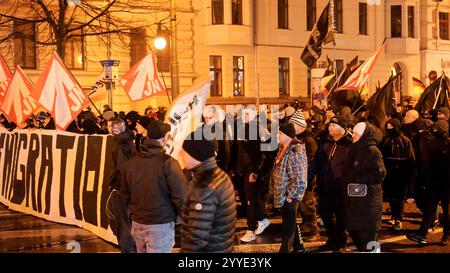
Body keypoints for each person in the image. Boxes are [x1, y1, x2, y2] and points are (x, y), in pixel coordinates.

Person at [121, 120, 186, 253]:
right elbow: (181, 196)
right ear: (165, 138)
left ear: (147, 136)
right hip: (160, 223)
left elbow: (124, 194)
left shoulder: (131, 162)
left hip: (138, 222)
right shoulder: (168, 163)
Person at [179, 130, 236, 252]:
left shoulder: (205, 186)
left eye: (184, 151)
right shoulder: (219, 175)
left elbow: (196, 238)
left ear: (196, 154)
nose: (180, 154)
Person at [309, 115, 352, 251]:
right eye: (330, 125)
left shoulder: (350, 145)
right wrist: (309, 177)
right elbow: (316, 162)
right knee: (325, 215)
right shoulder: (325, 143)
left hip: (341, 189)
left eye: (334, 125)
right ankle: (333, 238)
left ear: (343, 128)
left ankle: (340, 241)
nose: (330, 127)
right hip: (324, 187)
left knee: (341, 217)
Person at [345, 122, 386, 252]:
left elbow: (380, 173)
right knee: (358, 237)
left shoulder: (372, 151)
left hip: (368, 201)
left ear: (364, 135)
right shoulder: (356, 148)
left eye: (356, 134)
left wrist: (358, 179)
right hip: (356, 200)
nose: (353, 135)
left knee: (370, 242)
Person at [407, 120, 450, 246]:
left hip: (446, 183)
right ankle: (422, 233)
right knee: (429, 209)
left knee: (446, 210)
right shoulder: (433, 143)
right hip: (435, 181)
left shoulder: (447, 144)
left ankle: (446, 235)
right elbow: (428, 162)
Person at [271, 122, 308, 253]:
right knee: (290, 222)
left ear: (288, 135)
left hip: (290, 196)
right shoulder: (283, 148)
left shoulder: (295, 151)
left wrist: (291, 196)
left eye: (280, 133)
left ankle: (285, 250)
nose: (277, 135)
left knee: (288, 227)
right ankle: (299, 247)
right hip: (283, 194)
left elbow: (299, 178)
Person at [289, 110, 320, 242]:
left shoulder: (308, 139)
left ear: (301, 127)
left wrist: (307, 177)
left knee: (308, 204)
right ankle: (306, 225)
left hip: (306, 177)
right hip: (296, 176)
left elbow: (312, 160)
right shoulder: (296, 139)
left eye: (293, 125)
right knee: (301, 204)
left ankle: (313, 229)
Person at [380, 118, 415, 230]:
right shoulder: (385, 139)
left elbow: (410, 158)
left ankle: (398, 218)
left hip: (401, 173)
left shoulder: (404, 140)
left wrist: (409, 174)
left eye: (391, 126)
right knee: (390, 196)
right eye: (388, 126)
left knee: (399, 197)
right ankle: (394, 215)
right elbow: (380, 155)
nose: (389, 128)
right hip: (388, 172)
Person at [107, 118, 137, 252]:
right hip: (127, 188)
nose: (109, 128)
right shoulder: (127, 141)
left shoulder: (120, 144)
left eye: (110, 126)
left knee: (122, 224)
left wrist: (117, 187)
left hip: (121, 190)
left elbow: (122, 168)